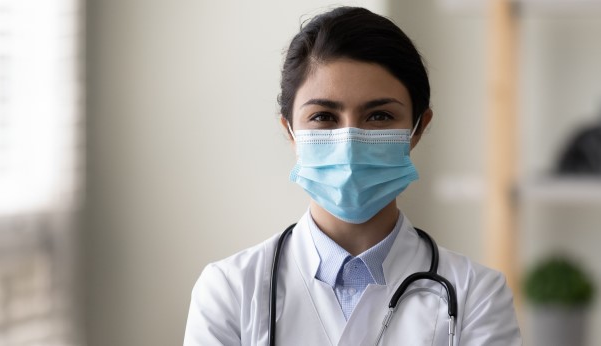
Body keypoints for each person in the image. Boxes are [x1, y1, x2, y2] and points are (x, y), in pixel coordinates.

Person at [184, 7, 522, 346]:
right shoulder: (230, 290)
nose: (350, 141)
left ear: (417, 129)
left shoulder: (476, 294)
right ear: (290, 132)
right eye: (323, 117)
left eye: (378, 115)